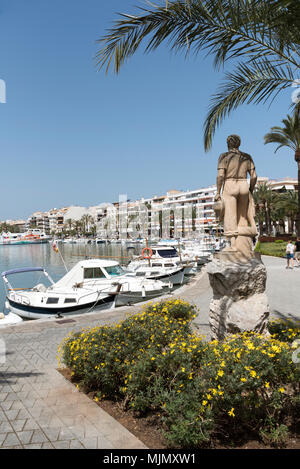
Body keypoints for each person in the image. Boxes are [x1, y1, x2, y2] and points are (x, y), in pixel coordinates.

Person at [214, 134, 258, 256]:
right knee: (242, 218)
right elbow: (254, 176)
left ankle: (233, 246)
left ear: (228, 144)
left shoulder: (224, 156)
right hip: (243, 184)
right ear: (239, 144)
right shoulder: (247, 157)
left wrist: (218, 192)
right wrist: (250, 190)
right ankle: (245, 246)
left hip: (230, 184)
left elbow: (220, 175)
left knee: (230, 215)